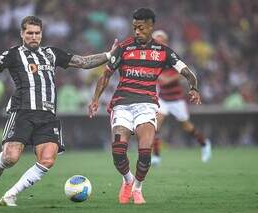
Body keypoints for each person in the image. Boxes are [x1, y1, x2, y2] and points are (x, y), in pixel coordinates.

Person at [0, 16, 116, 207]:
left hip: (48, 115)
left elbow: (83, 62)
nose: (34, 37)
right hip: (22, 112)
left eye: (37, 33)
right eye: (29, 33)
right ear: (22, 34)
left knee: (48, 159)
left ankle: (11, 194)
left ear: (42, 34)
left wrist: (109, 55)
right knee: (11, 157)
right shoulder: (13, 54)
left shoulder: (52, 53)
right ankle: (0, 163)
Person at [88, 8, 201, 204]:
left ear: (150, 26)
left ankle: (138, 189)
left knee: (145, 151)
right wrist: (95, 99)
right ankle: (128, 180)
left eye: (141, 27)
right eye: (134, 28)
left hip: (147, 105)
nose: (137, 31)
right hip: (122, 104)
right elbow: (106, 75)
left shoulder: (163, 51)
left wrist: (194, 88)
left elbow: (186, 71)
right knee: (118, 151)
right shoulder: (123, 48)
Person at [150, 30, 212, 166]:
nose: (158, 42)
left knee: (187, 127)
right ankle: (156, 156)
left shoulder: (172, 56)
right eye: (156, 40)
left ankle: (204, 143)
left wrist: (168, 78)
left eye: (161, 39)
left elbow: (183, 74)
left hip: (176, 99)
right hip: (163, 100)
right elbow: (162, 79)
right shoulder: (152, 58)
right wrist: (170, 77)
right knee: (155, 126)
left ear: (165, 41)